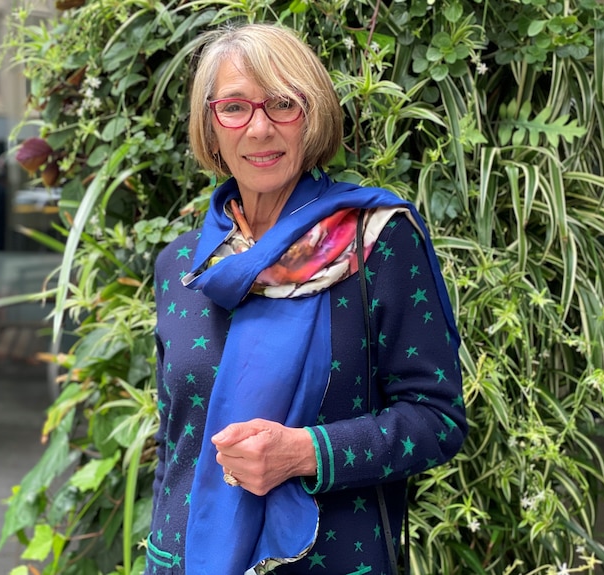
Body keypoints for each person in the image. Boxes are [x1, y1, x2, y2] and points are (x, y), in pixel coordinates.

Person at [146, 23, 467, 575]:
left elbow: (436, 420)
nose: (259, 128)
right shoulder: (182, 266)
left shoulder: (376, 244)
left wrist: (307, 453)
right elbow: (174, 440)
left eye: (283, 105)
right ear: (211, 126)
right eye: (235, 108)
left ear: (311, 114)